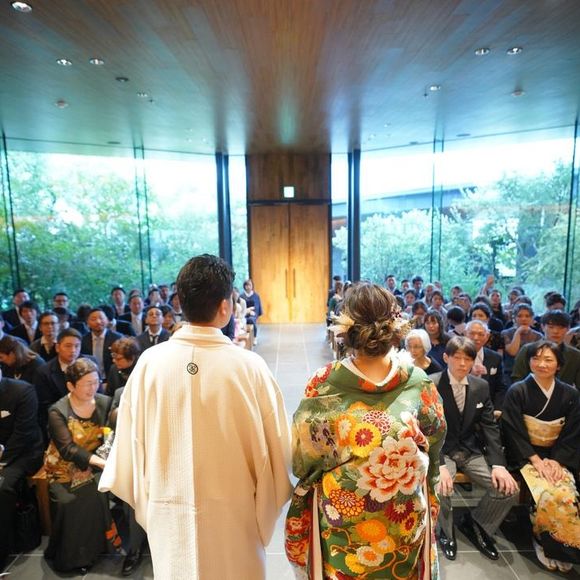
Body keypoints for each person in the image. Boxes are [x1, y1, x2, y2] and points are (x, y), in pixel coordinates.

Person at [99, 254, 291, 579]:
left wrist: (150, 504)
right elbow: (279, 453)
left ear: (182, 303)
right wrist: (264, 510)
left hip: (169, 510)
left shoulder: (149, 364)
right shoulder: (250, 367)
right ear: (225, 306)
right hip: (236, 516)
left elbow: (129, 450)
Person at [285, 282, 446, 579]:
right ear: (394, 328)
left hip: (343, 521)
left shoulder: (324, 384)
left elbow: (303, 460)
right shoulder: (418, 383)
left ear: (346, 330)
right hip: (403, 518)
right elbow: (434, 447)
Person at [431, 336, 518, 562]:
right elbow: (429, 429)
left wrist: (498, 464)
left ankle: (477, 524)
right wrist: (439, 465)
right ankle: (445, 531)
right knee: (441, 486)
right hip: (443, 450)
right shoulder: (431, 384)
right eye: (457, 357)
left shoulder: (481, 386)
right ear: (446, 358)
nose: (462, 363)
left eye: (468, 359)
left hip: (470, 450)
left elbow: (490, 426)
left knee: (508, 489)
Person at [501, 341, 580, 572]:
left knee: (566, 493)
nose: (541, 364)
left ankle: (564, 547)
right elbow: (512, 429)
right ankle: (542, 541)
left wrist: (557, 460)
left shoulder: (571, 394)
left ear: (559, 365)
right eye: (536, 358)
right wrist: (535, 459)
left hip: (557, 455)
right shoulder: (518, 391)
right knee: (546, 493)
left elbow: (573, 431)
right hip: (526, 454)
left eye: (548, 360)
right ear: (529, 362)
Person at [43, 359, 120, 573]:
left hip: (96, 462)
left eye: (96, 382)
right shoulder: (57, 411)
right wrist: (100, 463)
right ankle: (71, 557)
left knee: (96, 494)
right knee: (68, 502)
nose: (93, 388)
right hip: (62, 466)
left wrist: (102, 461)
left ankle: (94, 550)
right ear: (71, 385)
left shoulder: (104, 402)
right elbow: (67, 449)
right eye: (87, 383)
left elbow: (110, 437)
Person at [0, 368, 44, 572]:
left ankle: (3, 549)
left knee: (2, 487)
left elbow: (24, 434)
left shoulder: (22, 391)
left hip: (23, 453)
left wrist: (2, 459)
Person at [512, 310, 580, 388]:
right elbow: (517, 378)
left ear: (568, 329)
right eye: (551, 327)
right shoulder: (527, 349)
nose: (556, 331)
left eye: (561, 328)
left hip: (564, 394)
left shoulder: (576, 355)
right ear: (543, 327)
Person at [465, 320, 506, 412]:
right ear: (465, 334)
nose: (476, 338)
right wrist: (469, 373)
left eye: (481, 334)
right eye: (472, 333)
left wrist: (497, 409)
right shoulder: (457, 356)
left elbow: (501, 387)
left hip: (488, 406)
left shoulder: (495, 357)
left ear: (487, 336)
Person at [502, 303, 543, 386]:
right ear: (514, 318)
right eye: (520, 316)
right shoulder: (506, 333)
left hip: (531, 372)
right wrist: (518, 332)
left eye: (527, 316)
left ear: (532, 318)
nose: (524, 319)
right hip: (510, 371)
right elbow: (513, 352)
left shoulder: (539, 336)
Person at [80, 308, 123, 377]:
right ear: (87, 322)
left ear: (107, 320)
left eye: (101, 318)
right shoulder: (83, 340)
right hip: (90, 377)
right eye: (93, 319)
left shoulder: (117, 338)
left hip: (113, 377)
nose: (98, 322)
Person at [241, 278, 263, 345]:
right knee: (242, 320)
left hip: (253, 314)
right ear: (244, 286)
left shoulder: (256, 296)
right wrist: (246, 312)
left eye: (250, 285)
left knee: (251, 319)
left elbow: (257, 307)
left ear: (252, 286)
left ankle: (254, 337)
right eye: (246, 285)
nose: (248, 287)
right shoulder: (241, 296)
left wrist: (253, 313)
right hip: (243, 314)